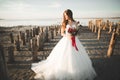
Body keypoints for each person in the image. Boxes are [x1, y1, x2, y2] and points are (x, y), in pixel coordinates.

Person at [31, 9, 97, 80]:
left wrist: (75, 34)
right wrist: (68, 36)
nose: (65, 17)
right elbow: (62, 33)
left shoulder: (75, 23)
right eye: (64, 15)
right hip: (66, 40)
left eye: (66, 15)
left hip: (75, 40)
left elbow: (78, 32)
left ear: (70, 15)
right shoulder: (64, 23)